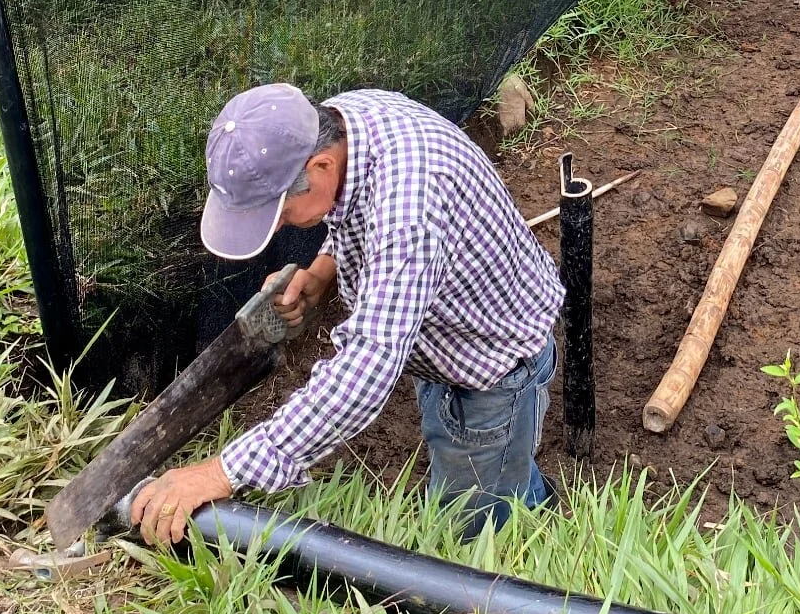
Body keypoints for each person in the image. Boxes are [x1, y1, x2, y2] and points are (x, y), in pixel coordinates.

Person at [129, 83, 563, 545]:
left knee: (465, 532)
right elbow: (356, 209)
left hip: (492, 361)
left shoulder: (409, 208)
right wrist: (321, 272)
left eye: (278, 213)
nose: (277, 227)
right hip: (443, 330)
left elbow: (367, 368)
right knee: (474, 461)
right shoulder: (344, 122)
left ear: (319, 167)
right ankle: (516, 484)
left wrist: (222, 472)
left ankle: (529, 524)